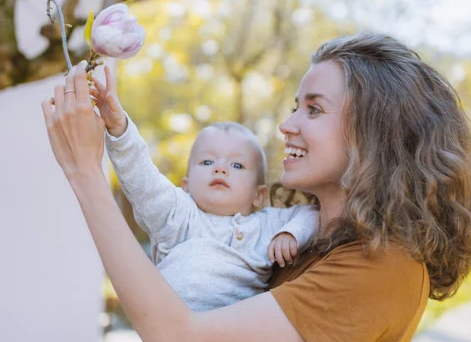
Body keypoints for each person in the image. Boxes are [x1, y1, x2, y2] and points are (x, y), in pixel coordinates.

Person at [42, 32, 471, 342]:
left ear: (375, 133)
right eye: (293, 107)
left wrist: (85, 172)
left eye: (314, 109)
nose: (287, 125)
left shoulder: (385, 267)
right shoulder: (303, 243)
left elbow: (177, 335)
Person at [89, 75, 318, 311]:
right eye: (208, 162)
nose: (220, 168)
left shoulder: (267, 224)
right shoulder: (178, 215)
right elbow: (142, 177)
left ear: (258, 196)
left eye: (236, 165)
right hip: (169, 327)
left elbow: (312, 213)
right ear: (186, 186)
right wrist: (120, 129)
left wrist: (292, 234)